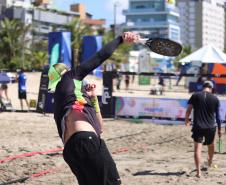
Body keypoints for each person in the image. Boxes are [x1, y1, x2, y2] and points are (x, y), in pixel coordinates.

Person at [48, 32, 139, 185]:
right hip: (86, 141)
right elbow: (98, 57)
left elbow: (99, 129)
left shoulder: (65, 103)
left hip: (71, 151)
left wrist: (93, 99)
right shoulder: (69, 77)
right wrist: (120, 39)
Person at [185, 80, 221, 178]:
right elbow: (218, 117)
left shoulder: (195, 95)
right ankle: (209, 162)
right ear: (211, 88)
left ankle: (198, 172)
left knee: (197, 149)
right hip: (210, 127)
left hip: (198, 126)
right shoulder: (215, 98)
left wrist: (186, 120)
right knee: (211, 145)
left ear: (203, 86)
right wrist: (220, 130)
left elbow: (188, 110)